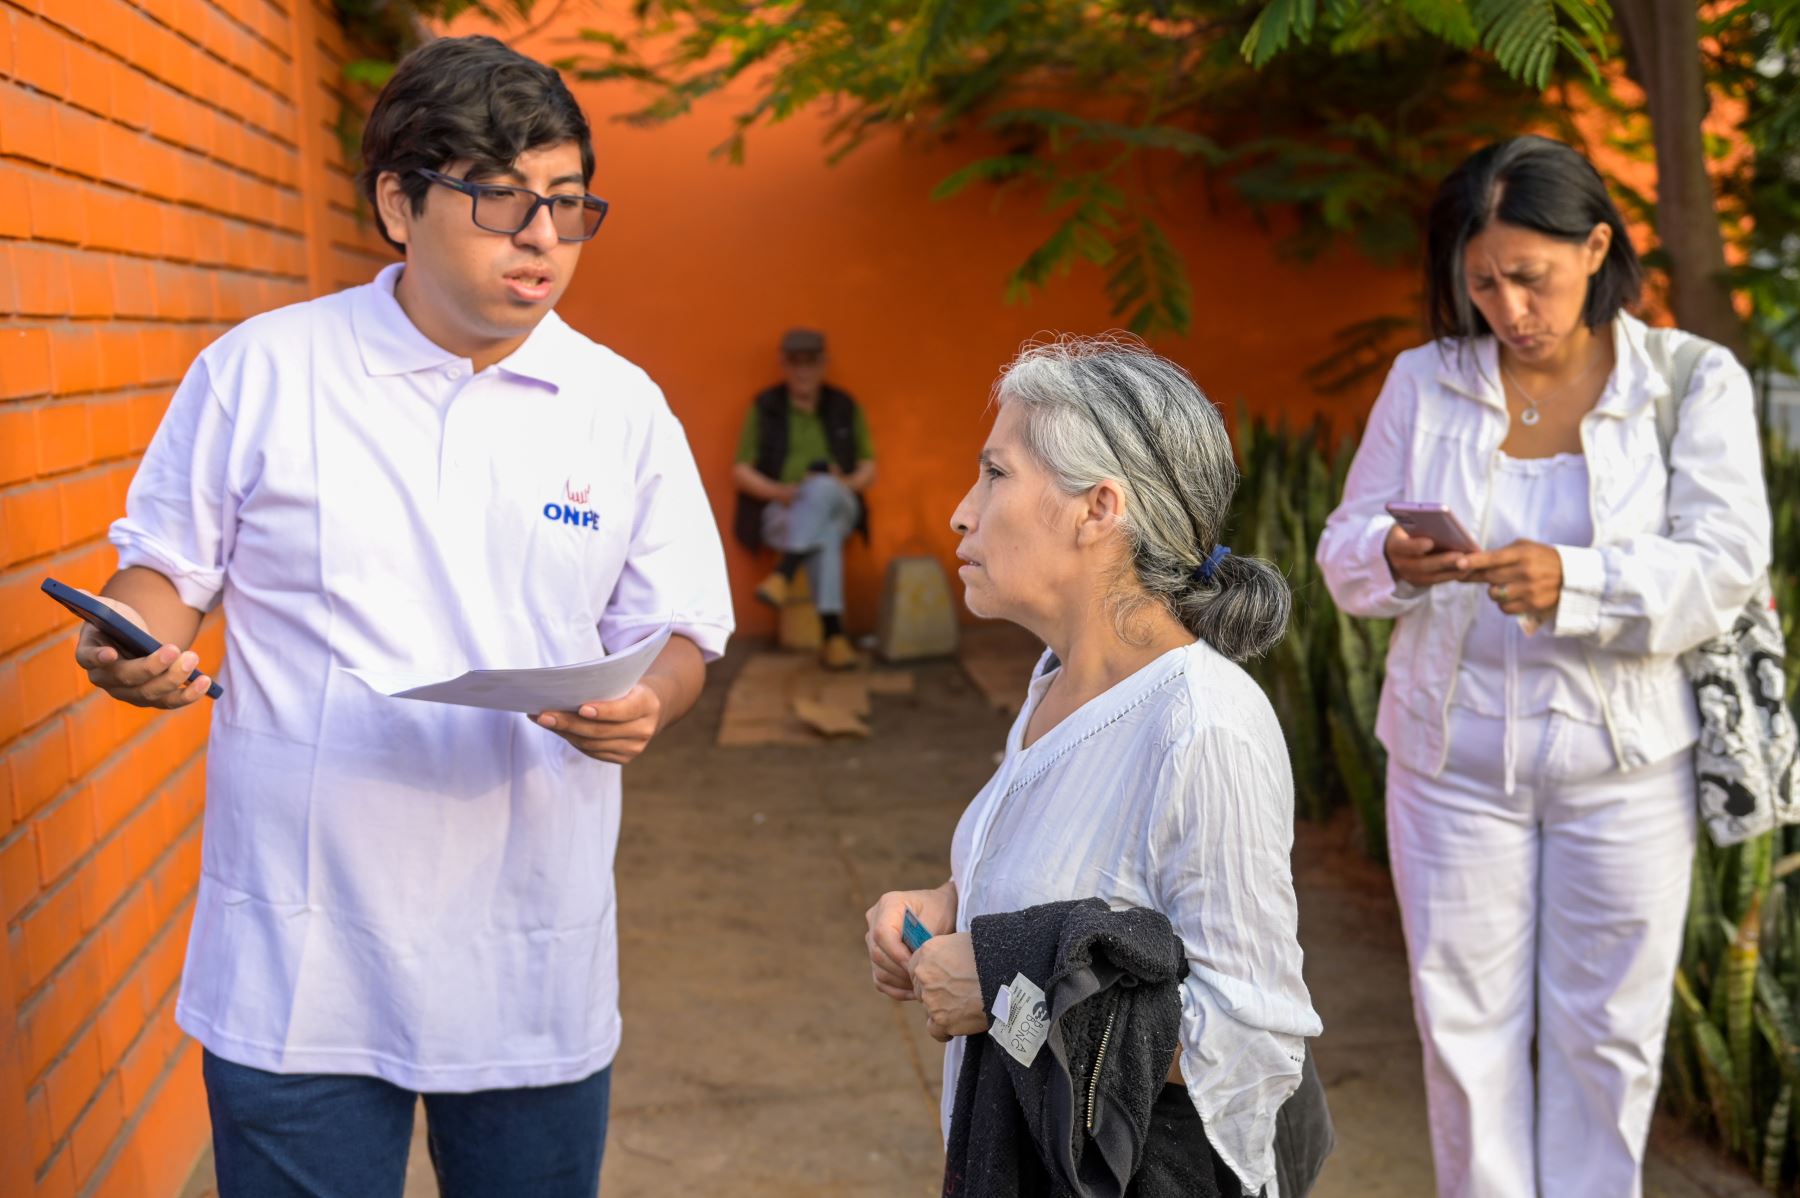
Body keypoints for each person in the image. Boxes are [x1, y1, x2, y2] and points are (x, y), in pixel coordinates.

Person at [70, 35, 733, 1197]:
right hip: (299, 954)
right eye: (499, 201)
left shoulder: (618, 408)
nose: (540, 239)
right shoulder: (264, 372)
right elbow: (160, 574)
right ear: (397, 200)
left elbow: (681, 626)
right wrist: (129, 640)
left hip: (528, 947)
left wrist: (646, 703)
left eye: (568, 206)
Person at [1317, 135, 1772, 1196]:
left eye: (1533, 275)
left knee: (1609, 1040)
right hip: (1449, 762)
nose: (1509, 307)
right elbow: (1342, 547)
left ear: (1596, 246)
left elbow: (1727, 567)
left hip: (1627, 770)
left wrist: (1577, 579)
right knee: (1462, 1035)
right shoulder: (1423, 381)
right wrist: (1393, 553)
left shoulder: (1690, 382)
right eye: (1481, 283)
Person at [864, 336, 1322, 1196]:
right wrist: (951, 906)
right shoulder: (1054, 686)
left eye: (995, 475)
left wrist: (1003, 991)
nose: (963, 512)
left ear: (1098, 509)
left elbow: (1255, 1046)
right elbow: (1091, 900)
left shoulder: (1203, 725)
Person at [732, 327, 876, 669]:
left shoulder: (844, 405)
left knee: (823, 487)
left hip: (841, 504)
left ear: (823, 364)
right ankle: (834, 637)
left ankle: (785, 569)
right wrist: (783, 491)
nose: (802, 371)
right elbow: (740, 470)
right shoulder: (765, 407)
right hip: (784, 509)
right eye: (795, 362)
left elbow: (869, 470)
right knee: (822, 536)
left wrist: (842, 483)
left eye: (810, 362)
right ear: (784, 364)